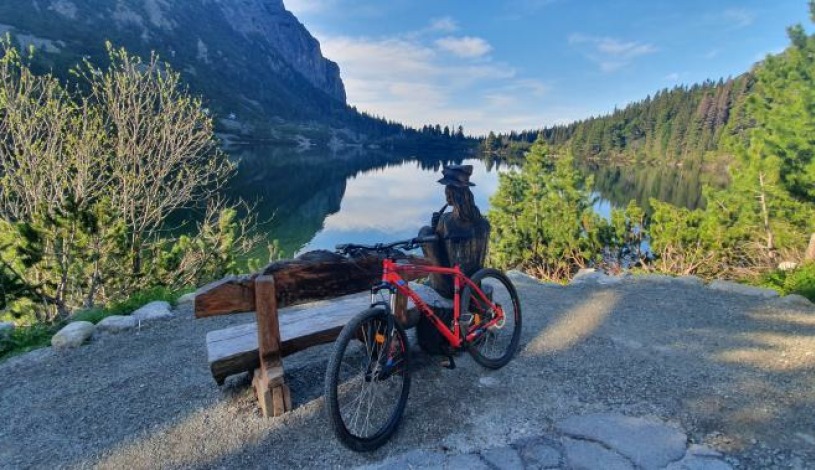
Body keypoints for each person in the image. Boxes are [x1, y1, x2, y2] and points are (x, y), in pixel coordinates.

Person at [418, 164, 490, 298]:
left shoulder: (446, 221)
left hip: (450, 288)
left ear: (451, 195)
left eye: (447, 194)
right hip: (474, 284)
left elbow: (438, 249)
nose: (446, 198)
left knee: (425, 233)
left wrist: (434, 227)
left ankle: (436, 283)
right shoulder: (484, 224)